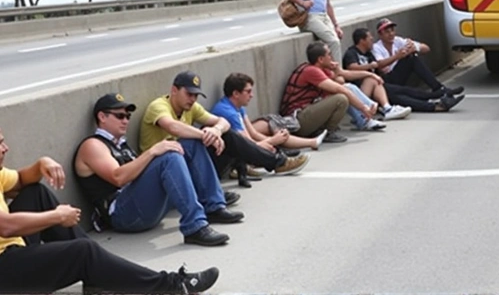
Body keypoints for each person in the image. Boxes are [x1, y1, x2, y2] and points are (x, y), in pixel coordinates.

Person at [0, 129, 219, 294]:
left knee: (36, 191)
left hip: (12, 250)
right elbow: (6, 226)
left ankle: (96, 275)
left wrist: (41, 164)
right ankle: (172, 286)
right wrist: (56, 216)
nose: (5, 148)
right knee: (83, 251)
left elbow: (20, 180)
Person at [74, 93, 238, 247]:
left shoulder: (121, 145)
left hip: (141, 204)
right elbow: (118, 177)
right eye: (120, 116)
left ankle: (213, 206)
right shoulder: (93, 145)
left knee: (190, 144)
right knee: (169, 157)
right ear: (102, 117)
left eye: (128, 116)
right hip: (123, 215)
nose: (125, 121)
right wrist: (153, 151)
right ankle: (194, 227)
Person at [139, 71, 309, 182]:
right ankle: (276, 162)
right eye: (188, 94)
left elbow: (224, 122)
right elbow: (173, 127)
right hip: (159, 169)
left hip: (184, 164)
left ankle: (276, 163)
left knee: (226, 134)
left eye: (196, 95)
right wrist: (205, 134)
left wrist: (216, 130)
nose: (192, 99)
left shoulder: (191, 107)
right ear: (174, 90)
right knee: (197, 141)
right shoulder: (159, 106)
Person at [280, 41, 384, 144]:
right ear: (320, 59)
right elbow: (340, 89)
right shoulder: (311, 71)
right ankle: (328, 132)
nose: (331, 57)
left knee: (347, 87)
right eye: (329, 54)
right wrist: (363, 108)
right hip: (298, 121)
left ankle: (368, 114)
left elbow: (344, 76)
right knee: (341, 98)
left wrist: (370, 75)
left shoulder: (320, 68)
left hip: (306, 114)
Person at [343, 28, 465, 112]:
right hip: (367, 89)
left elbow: (426, 48)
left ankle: (439, 96)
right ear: (362, 41)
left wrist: (414, 48)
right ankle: (436, 104)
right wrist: (372, 66)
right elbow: (351, 68)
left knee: (403, 91)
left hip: (380, 83)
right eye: (370, 38)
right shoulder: (352, 53)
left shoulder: (370, 53)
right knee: (400, 96)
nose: (372, 40)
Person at [212, 73, 327, 152]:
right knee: (270, 144)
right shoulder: (229, 113)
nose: (251, 95)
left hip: (241, 143)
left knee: (270, 126)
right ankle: (282, 161)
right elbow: (248, 144)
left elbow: (254, 134)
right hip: (232, 152)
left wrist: (275, 141)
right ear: (236, 94)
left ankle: (310, 142)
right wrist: (273, 141)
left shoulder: (237, 106)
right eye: (248, 92)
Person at [372, 18, 464, 96]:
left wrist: (414, 48)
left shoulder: (398, 41)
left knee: (412, 58)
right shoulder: (376, 47)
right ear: (380, 34)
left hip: (400, 75)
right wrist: (397, 56)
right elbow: (379, 64)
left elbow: (426, 48)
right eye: (387, 32)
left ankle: (438, 88)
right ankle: (437, 89)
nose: (391, 34)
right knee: (410, 59)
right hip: (388, 80)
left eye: (392, 30)